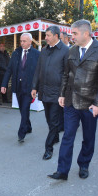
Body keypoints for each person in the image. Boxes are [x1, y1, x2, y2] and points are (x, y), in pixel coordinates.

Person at [48, 19, 98, 180]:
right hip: (70, 101)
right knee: (68, 136)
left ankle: (84, 164)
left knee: (88, 137)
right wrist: (62, 94)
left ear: (86, 33)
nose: (71, 36)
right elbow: (65, 74)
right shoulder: (71, 51)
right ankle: (62, 170)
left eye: (74, 33)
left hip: (90, 104)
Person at [31, 26, 69, 160]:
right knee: (49, 119)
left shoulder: (65, 51)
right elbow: (38, 70)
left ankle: (49, 148)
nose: (45, 38)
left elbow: (67, 74)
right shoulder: (44, 50)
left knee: (53, 121)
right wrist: (34, 87)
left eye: (48, 35)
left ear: (56, 36)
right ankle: (56, 136)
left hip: (57, 93)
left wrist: (63, 94)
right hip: (44, 90)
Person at [1, 33, 40, 142]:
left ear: (30, 42)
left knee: (25, 108)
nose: (22, 43)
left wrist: (36, 87)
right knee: (22, 110)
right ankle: (28, 126)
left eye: (24, 41)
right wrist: (4, 84)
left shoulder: (37, 54)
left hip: (30, 88)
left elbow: (39, 72)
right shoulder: (16, 53)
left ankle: (21, 133)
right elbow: (9, 69)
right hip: (18, 86)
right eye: (21, 41)